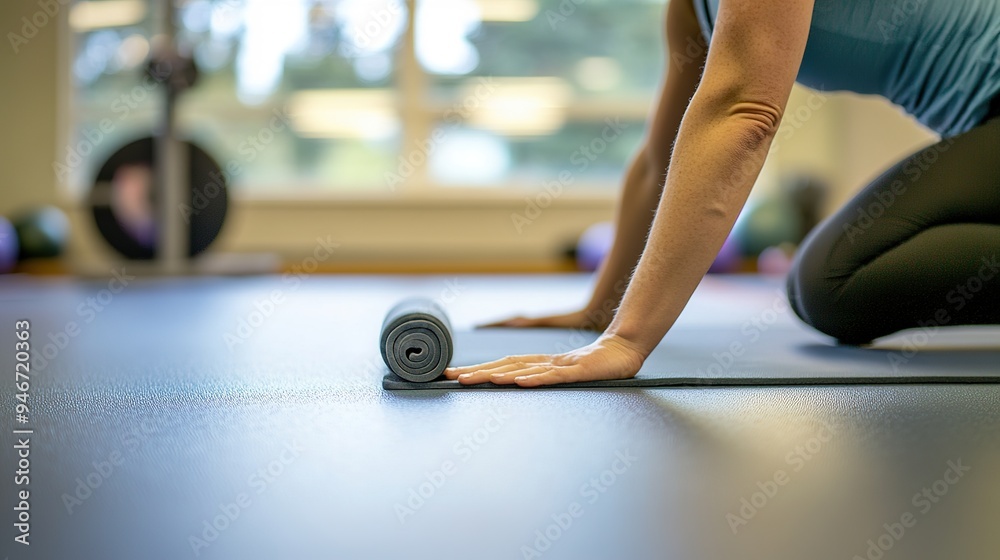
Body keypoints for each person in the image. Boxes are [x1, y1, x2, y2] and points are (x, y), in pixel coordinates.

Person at [445, 0, 1000, 386]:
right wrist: (601, 311)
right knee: (826, 289)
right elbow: (662, 162)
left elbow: (745, 112)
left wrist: (627, 341)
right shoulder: (694, 8)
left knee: (833, 283)